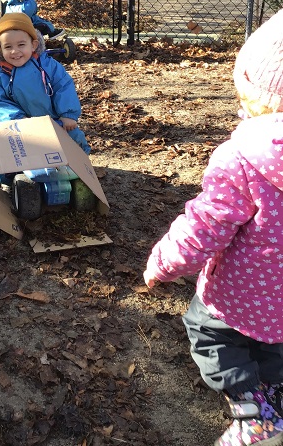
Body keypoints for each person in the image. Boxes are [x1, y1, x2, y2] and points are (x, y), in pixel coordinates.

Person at [143, 9, 283, 446]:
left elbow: (205, 228)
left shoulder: (243, 156)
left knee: (209, 332)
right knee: (273, 341)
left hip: (241, 292)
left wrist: (163, 262)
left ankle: (252, 415)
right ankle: (274, 392)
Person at [0, 12, 90, 157]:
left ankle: (77, 168)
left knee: (72, 137)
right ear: (0, 50)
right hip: (18, 125)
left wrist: (67, 114)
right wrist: (17, 120)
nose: (15, 51)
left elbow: (63, 87)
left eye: (21, 45)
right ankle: (13, 174)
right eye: (8, 47)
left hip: (52, 121)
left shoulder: (48, 66)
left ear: (33, 45)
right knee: (10, 148)